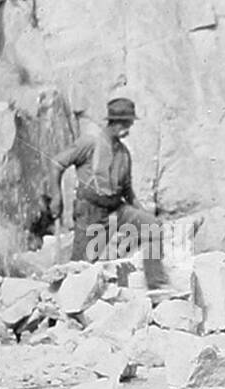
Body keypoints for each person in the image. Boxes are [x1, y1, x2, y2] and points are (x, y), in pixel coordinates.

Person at [46, 96, 165, 286]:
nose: (128, 128)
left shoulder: (124, 153)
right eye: (125, 123)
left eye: (130, 123)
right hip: (91, 212)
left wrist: (144, 214)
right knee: (81, 267)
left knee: (152, 226)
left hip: (117, 209)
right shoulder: (91, 142)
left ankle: (157, 284)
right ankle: (63, 300)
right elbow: (57, 163)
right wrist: (56, 197)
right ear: (114, 122)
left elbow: (128, 192)